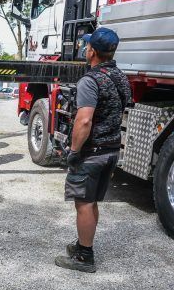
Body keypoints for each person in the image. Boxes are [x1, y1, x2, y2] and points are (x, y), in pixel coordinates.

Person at [55, 27, 131, 273]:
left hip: (93, 151)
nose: (85, 49)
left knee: (84, 203)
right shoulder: (120, 76)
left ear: (93, 52)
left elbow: (84, 120)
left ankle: (84, 256)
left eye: (88, 46)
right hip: (111, 148)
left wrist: (75, 151)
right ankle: (82, 244)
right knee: (93, 200)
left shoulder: (90, 80)